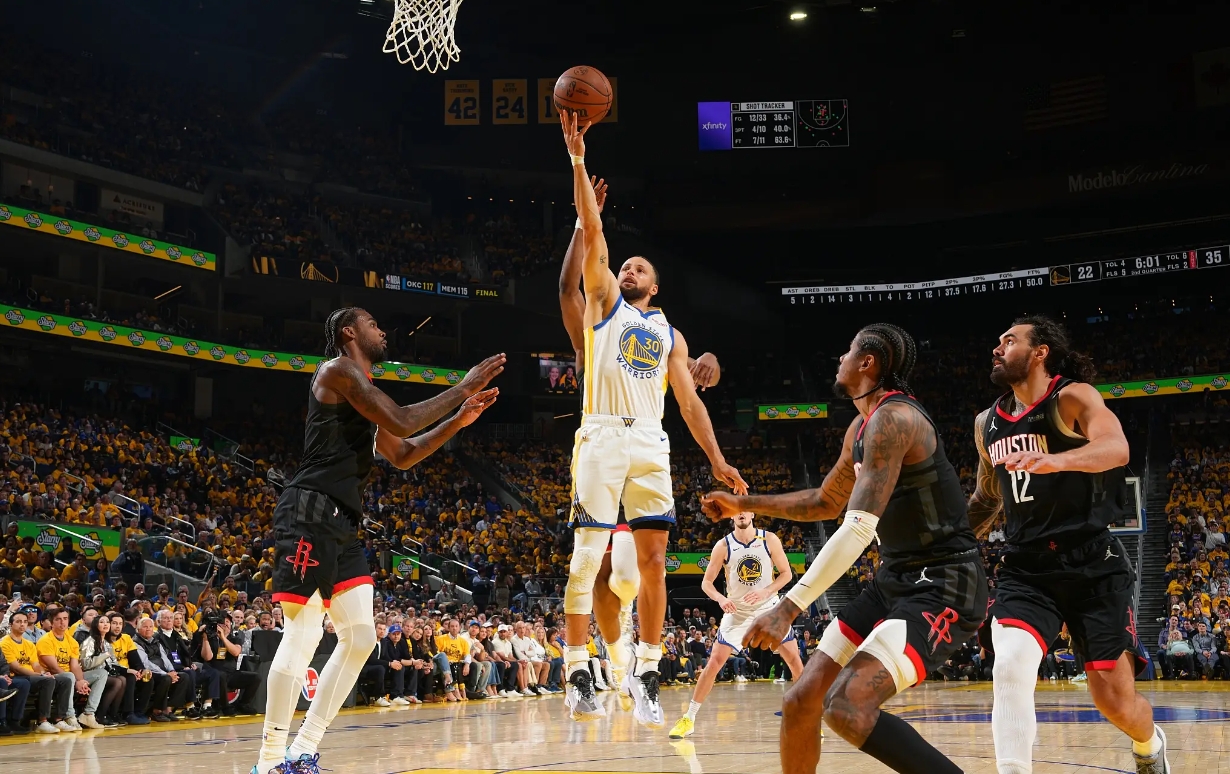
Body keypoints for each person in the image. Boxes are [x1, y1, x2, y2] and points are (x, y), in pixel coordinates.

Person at [702, 323, 986, 774]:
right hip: (894, 577)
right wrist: (743, 503)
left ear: (868, 362)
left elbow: (857, 528)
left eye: (849, 351)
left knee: (847, 707)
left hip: (944, 584)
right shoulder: (861, 425)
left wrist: (787, 609)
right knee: (800, 701)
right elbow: (824, 502)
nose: (840, 358)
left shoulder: (895, 418)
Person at [253, 306, 503, 774]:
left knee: (362, 637)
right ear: (349, 332)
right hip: (310, 511)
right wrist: (463, 387)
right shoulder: (338, 371)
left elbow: (404, 452)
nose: (382, 330)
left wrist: (458, 420)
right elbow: (403, 421)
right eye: (372, 323)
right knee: (304, 634)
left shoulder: (364, 397)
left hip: (344, 522)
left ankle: (303, 748)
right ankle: (268, 760)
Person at [558, 110, 746, 727]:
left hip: (651, 441)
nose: (628, 270)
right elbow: (591, 228)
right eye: (625, 265)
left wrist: (716, 459)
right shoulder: (604, 303)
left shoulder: (669, 334)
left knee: (655, 562)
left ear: (656, 288)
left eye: (640, 268)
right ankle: (576, 669)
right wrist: (579, 159)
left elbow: (689, 402)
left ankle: (646, 672)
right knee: (587, 557)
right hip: (602, 433)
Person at [966, 316, 1169, 774]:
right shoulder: (986, 423)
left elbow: (1116, 448)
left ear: (1040, 352)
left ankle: (1150, 743)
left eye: (1009, 340)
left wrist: (1056, 461)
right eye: (998, 341)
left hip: (1092, 563)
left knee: (1114, 701)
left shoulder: (1073, 397)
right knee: (1010, 664)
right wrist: (945, 541)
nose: (997, 348)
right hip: (1026, 567)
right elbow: (987, 498)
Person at [668, 512, 804, 739]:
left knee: (794, 659)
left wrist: (766, 591)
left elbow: (786, 574)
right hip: (737, 611)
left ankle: (808, 717)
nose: (741, 513)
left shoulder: (769, 539)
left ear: (752, 512)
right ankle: (688, 718)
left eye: (745, 508)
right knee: (714, 662)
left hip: (769, 607)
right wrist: (721, 599)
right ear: (731, 514)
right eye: (737, 509)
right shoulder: (723, 546)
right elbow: (706, 583)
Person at [36, 607, 97, 732]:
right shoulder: (45, 640)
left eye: (65, 619)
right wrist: (75, 680)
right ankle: (69, 716)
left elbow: (75, 666)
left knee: (101, 674)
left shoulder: (72, 641)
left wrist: (80, 681)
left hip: (70, 675)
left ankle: (89, 714)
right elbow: (53, 667)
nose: (62, 622)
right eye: (58, 619)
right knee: (69, 676)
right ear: (51, 623)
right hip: (51, 676)